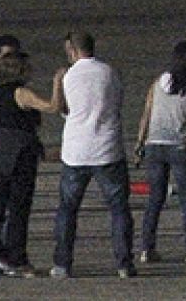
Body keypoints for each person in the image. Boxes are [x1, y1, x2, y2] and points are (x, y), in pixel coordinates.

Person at [50, 31, 135, 279]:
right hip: (107, 148)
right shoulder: (110, 72)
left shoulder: (68, 76)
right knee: (119, 208)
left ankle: (63, 263)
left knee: (68, 208)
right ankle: (123, 263)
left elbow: (63, 108)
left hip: (76, 151)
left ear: (72, 51)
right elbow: (117, 104)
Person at [0, 49, 61, 278]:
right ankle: (17, 258)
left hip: (1, 148)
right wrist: (58, 83)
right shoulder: (21, 92)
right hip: (20, 152)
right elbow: (51, 107)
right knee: (18, 207)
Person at [135, 41, 186, 266]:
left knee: (155, 199)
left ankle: (146, 248)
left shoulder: (157, 84)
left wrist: (139, 144)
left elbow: (146, 115)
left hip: (154, 146)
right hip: (181, 148)